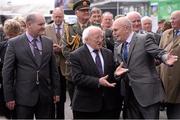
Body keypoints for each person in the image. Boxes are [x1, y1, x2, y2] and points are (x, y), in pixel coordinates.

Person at [112, 17, 178, 119]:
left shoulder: (144, 38)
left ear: (125, 28)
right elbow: (121, 69)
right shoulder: (119, 47)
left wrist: (165, 58)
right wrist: (116, 75)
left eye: (115, 30)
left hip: (148, 95)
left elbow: (157, 51)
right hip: (129, 97)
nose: (113, 33)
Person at [2, 12, 60, 119]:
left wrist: (56, 91)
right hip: (23, 97)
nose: (44, 27)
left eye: (44, 24)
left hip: (45, 96)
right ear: (29, 25)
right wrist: (9, 97)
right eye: (40, 24)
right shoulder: (14, 43)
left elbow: (53, 70)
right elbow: (7, 72)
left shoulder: (48, 42)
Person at [69, 26, 127, 119]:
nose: (101, 40)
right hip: (86, 106)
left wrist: (116, 74)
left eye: (102, 37)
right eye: (97, 37)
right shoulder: (76, 55)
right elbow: (77, 78)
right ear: (86, 39)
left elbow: (110, 75)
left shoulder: (108, 53)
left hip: (108, 106)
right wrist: (98, 81)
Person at [62, 0, 92, 103]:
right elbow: (65, 49)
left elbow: (103, 48)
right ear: (76, 13)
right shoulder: (69, 29)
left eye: (88, 10)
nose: (86, 12)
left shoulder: (96, 27)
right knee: (75, 104)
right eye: (83, 10)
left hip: (92, 72)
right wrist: (79, 63)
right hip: (75, 72)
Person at [44, 7, 66, 119]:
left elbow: (72, 47)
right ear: (52, 17)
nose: (58, 19)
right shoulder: (46, 29)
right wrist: (50, 48)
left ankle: (61, 117)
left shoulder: (69, 28)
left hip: (64, 67)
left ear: (63, 16)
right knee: (51, 94)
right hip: (50, 67)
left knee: (61, 96)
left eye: (60, 16)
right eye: (56, 17)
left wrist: (61, 49)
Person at [159, 10, 180, 119]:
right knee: (170, 110)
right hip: (165, 79)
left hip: (178, 78)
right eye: (171, 18)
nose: (171, 21)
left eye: (174, 18)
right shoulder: (166, 33)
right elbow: (159, 54)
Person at [0, 19, 21, 119]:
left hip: (6, 83)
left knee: (8, 113)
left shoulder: (2, 45)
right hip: (21, 82)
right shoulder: (23, 44)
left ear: (5, 31)